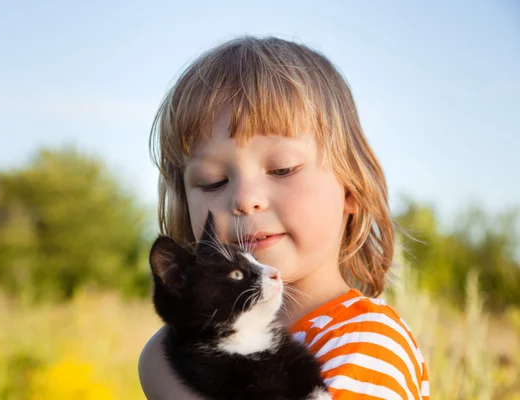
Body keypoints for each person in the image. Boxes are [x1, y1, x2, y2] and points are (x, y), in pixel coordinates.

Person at [139, 35, 429, 400]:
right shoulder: (191, 353)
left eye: (282, 169)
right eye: (214, 182)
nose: (244, 200)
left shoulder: (365, 341)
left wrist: (163, 378)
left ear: (351, 189)